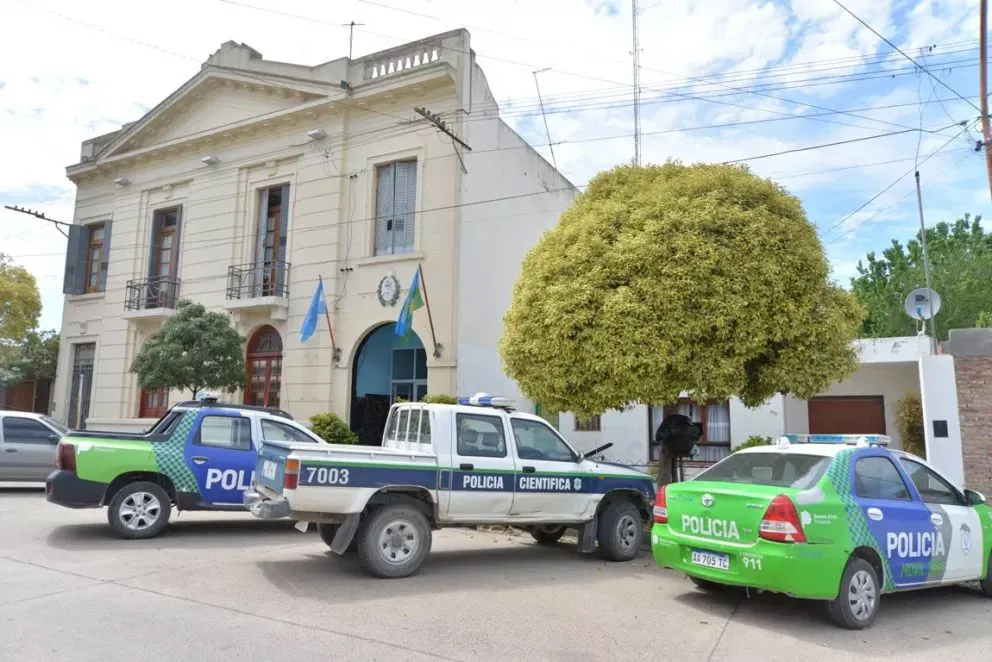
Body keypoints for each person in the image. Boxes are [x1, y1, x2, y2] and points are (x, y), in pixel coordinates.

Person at [654, 413, 703, 484]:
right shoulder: (688, 428)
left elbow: (659, 436)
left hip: (671, 447)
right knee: (671, 469)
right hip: (680, 448)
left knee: (666, 469)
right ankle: (673, 483)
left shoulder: (671, 425)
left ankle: (666, 486)